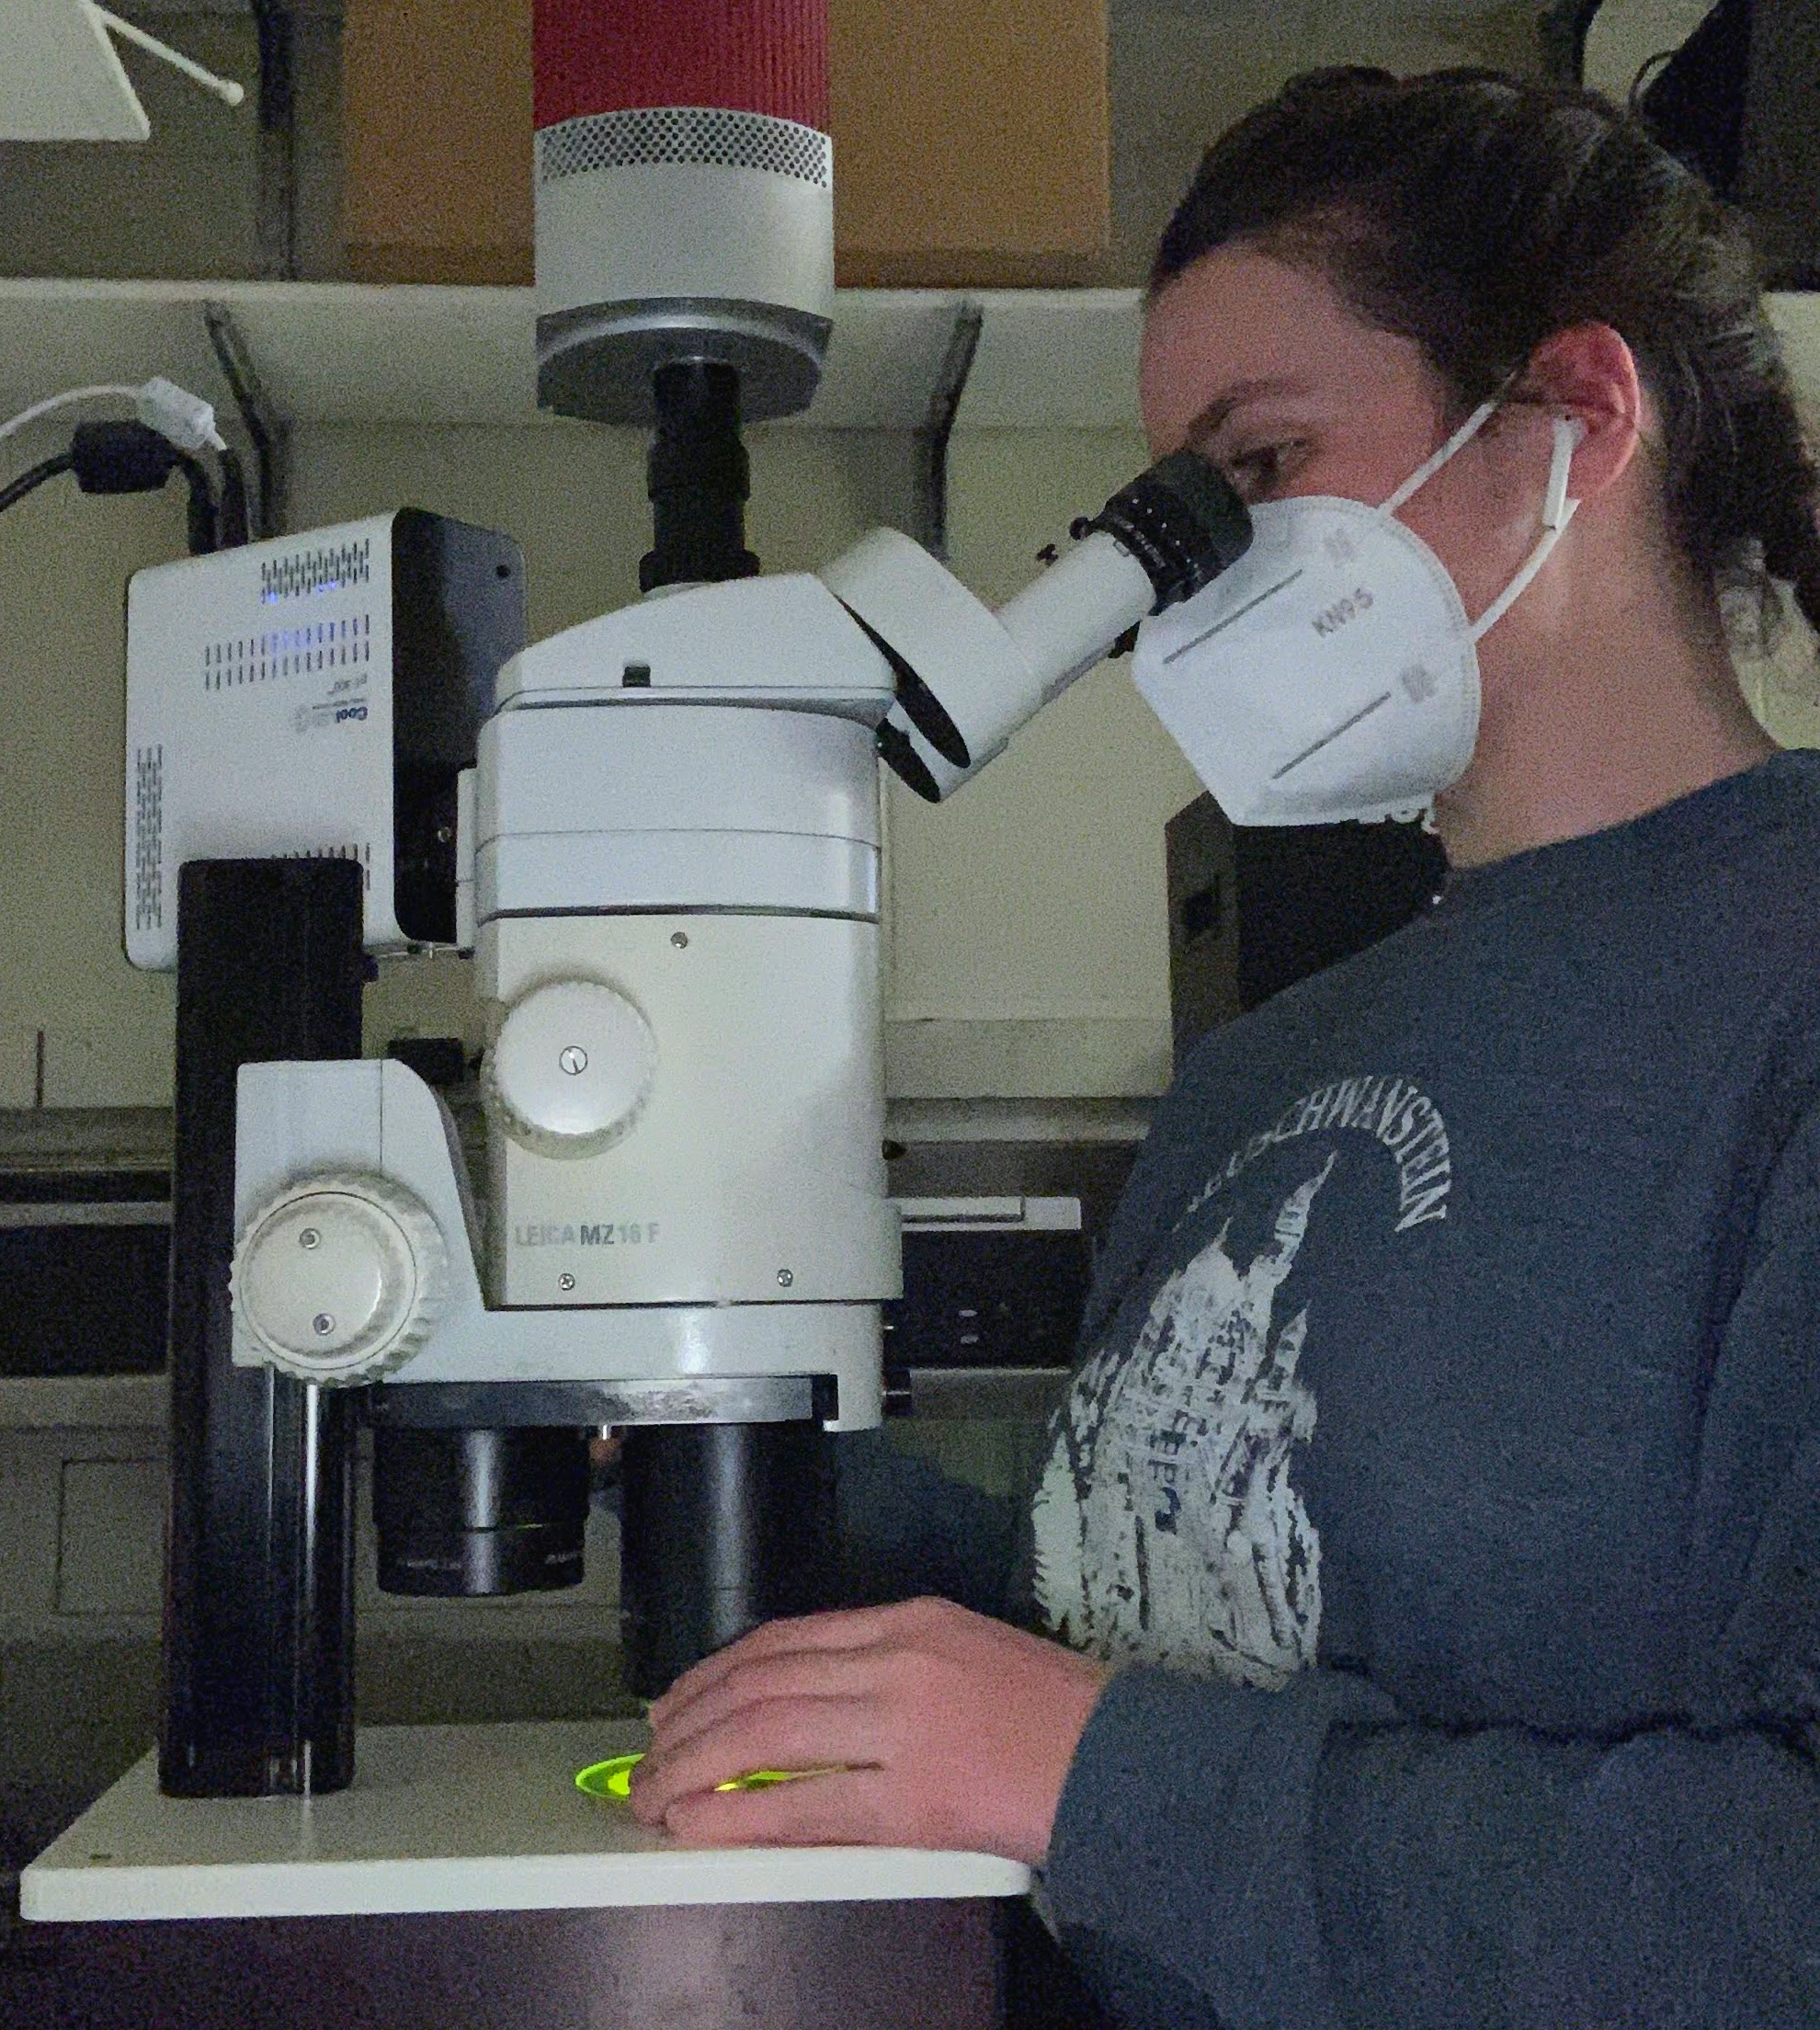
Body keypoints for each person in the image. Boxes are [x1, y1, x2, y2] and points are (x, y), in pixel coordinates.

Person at [630, 66, 1820, 2027]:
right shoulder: (1267, 1075)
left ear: (1579, 416)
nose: (1197, 582)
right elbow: (1179, 1611)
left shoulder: (1776, 994)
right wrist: (713, 1435)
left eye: (1257, 467)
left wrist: (1097, 1779)